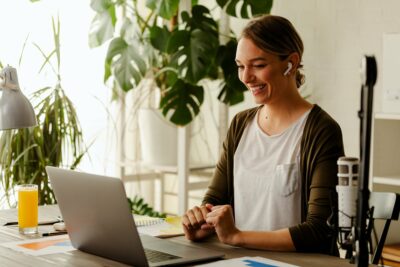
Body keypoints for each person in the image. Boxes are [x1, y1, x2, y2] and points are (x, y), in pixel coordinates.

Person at [181, 14, 345, 255]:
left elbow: (319, 230)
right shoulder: (240, 125)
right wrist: (201, 223)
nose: (246, 77)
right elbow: (214, 202)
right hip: (239, 259)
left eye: (258, 65)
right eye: (240, 66)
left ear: (290, 63)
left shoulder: (321, 131)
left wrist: (237, 236)